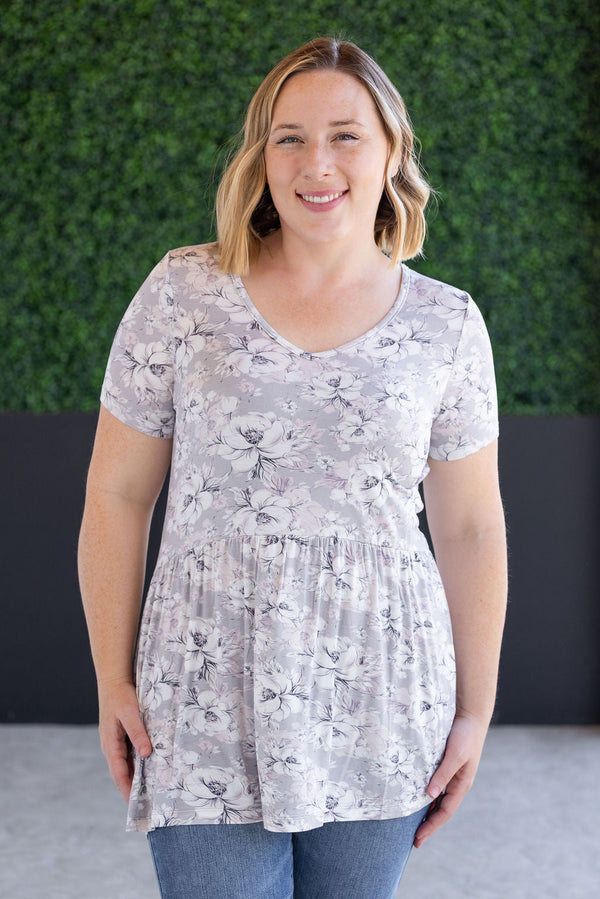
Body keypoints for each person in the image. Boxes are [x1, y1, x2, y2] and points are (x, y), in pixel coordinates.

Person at [78, 37, 507, 899]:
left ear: (392, 151)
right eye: (289, 136)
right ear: (260, 156)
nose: (318, 161)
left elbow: (469, 525)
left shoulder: (446, 325)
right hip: (201, 687)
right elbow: (118, 492)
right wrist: (113, 677)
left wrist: (474, 711)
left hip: (384, 688)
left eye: (346, 135)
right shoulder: (182, 292)